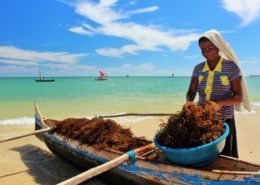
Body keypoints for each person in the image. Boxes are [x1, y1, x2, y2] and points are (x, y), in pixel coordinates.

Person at [185, 30, 251, 158]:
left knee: (225, 156)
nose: (206, 51)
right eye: (203, 49)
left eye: (210, 47)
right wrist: (189, 101)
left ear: (218, 47)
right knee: (205, 154)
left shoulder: (231, 68)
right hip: (203, 118)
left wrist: (216, 104)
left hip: (225, 120)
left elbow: (238, 97)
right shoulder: (198, 68)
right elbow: (192, 91)